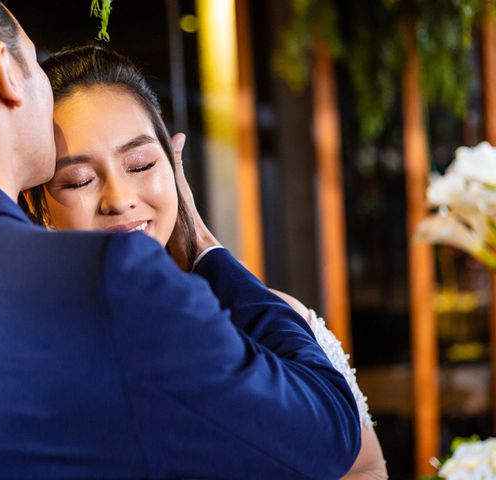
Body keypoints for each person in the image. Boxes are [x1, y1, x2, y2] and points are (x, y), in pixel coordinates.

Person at [0, 1, 361, 479]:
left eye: (140, 164)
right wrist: (206, 248)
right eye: (33, 61)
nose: (119, 199)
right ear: (3, 70)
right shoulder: (105, 282)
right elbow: (325, 432)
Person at [24, 45, 387, 479]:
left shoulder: (270, 317)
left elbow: (363, 466)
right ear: (38, 203)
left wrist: (203, 247)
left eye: (140, 164)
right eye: (79, 179)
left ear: (175, 168)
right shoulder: (32, 351)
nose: (119, 200)